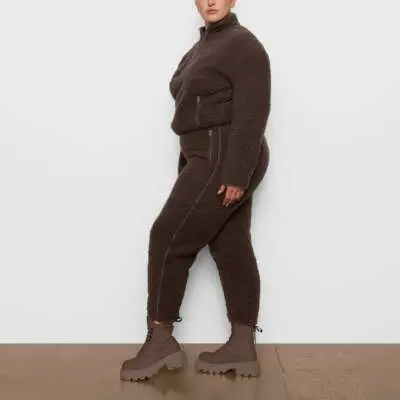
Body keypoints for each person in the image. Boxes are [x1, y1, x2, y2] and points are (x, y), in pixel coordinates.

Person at [120, 0, 271, 381]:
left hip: (225, 156)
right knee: (230, 244)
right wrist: (188, 164)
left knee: (167, 236)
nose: (211, 1)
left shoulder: (243, 44)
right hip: (204, 156)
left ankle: (160, 340)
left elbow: (253, 112)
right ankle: (242, 346)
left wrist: (236, 174)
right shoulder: (201, 47)